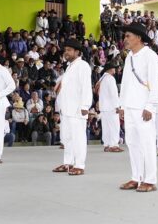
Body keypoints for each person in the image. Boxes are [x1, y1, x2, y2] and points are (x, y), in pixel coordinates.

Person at [118, 22, 158, 193]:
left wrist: (150, 106)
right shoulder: (129, 56)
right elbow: (126, 83)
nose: (125, 39)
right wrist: (122, 105)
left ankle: (150, 179)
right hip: (129, 106)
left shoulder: (150, 56)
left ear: (138, 37)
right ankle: (136, 177)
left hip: (143, 107)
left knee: (147, 143)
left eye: (128, 36)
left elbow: (157, 84)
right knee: (132, 143)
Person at [52, 39, 92, 176]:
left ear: (77, 51)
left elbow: (86, 87)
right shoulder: (69, 67)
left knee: (78, 137)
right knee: (67, 137)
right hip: (66, 108)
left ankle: (79, 164)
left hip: (77, 109)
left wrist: (85, 105)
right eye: (65, 50)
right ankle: (68, 163)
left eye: (69, 50)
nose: (66, 52)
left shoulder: (83, 65)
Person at [97, 61, 122, 152]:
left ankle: (107, 144)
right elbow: (113, 94)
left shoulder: (102, 79)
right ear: (111, 69)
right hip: (111, 106)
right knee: (114, 126)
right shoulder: (110, 79)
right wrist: (117, 106)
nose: (115, 69)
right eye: (114, 68)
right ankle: (113, 145)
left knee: (106, 126)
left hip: (103, 106)